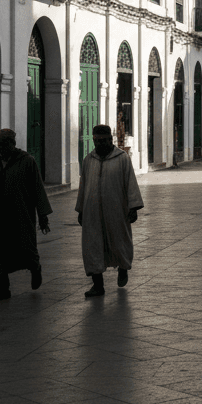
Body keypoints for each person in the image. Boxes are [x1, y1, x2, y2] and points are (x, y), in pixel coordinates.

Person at [0, 128, 52, 301]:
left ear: (12, 144)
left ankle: (35, 269)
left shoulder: (27, 161)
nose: (0, 148)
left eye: (3, 144)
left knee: (26, 247)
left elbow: (38, 189)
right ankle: (3, 288)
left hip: (21, 215)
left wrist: (43, 216)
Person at [76, 124, 143, 297]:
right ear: (93, 140)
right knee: (92, 247)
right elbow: (83, 186)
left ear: (110, 140)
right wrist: (81, 209)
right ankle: (98, 285)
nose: (100, 144)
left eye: (104, 141)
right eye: (97, 141)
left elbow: (131, 183)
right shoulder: (88, 160)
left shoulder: (122, 158)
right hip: (92, 213)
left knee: (119, 242)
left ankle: (123, 268)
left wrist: (133, 207)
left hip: (117, 211)